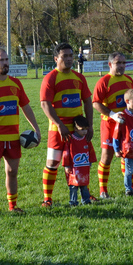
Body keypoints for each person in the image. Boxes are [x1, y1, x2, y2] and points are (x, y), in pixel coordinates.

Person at [0, 49, 41, 216]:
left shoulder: (16, 83)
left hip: (13, 138)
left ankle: (13, 206)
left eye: (6, 59)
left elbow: (26, 107)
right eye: (1, 60)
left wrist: (36, 129)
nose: (5, 63)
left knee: (12, 172)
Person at [40, 42, 94, 207]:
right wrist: (59, 124)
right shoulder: (51, 78)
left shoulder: (79, 78)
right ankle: (47, 198)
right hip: (57, 129)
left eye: (71, 56)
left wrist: (89, 126)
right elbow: (45, 104)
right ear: (56, 58)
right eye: (65, 56)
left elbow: (87, 102)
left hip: (78, 129)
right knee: (53, 162)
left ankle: (84, 194)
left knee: (80, 161)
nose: (69, 59)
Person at [92, 52, 133, 199]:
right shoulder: (104, 81)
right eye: (119, 63)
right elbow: (96, 103)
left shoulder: (129, 80)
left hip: (127, 124)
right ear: (110, 64)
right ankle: (103, 191)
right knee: (107, 156)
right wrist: (112, 114)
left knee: (127, 155)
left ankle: (129, 188)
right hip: (109, 124)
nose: (122, 66)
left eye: (124, 63)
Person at [62, 115, 97, 205]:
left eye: (86, 129)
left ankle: (86, 200)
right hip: (73, 169)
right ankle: (73, 202)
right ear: (75, 128)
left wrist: (90, 161)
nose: (85, 131)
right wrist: (66, 165)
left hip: (84, 167)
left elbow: (91, 151)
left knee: (84, 185)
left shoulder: (87, 139)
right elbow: (66, 153)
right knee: (73, 186)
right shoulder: (70, 139)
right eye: (82, 129)